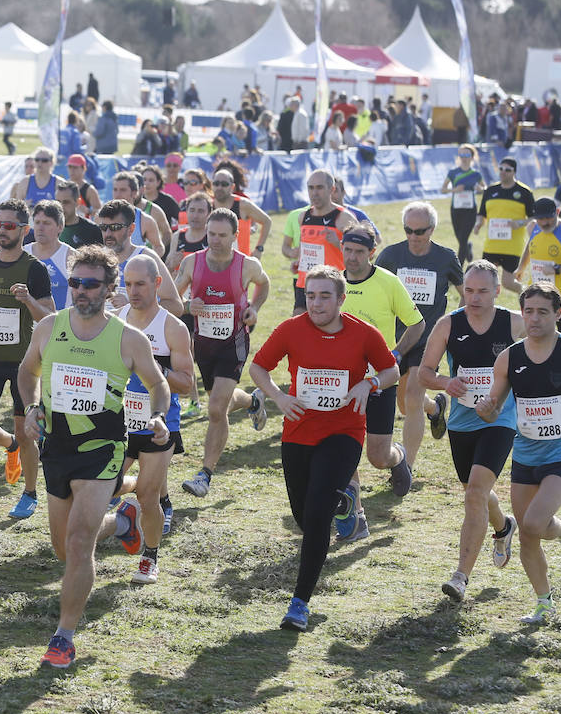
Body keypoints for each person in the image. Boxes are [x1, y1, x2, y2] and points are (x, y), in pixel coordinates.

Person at [17, 245, 172, 667]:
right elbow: (27, 372)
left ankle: (63, 637)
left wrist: (158, 416)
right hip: (57, 447)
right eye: (75, 283)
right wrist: (32, 408)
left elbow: (159, 386)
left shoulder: (128, 339)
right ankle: (122, 520)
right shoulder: (49, 327)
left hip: (103, 449)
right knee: (62, 549)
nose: (82, 291)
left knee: (80, 542)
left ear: (109, 289)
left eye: (91, 284)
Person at [249, 266, 399, 630]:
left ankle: (299, 603)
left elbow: (392, 370)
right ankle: (343, 500)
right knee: (304, 519)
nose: (315, 303)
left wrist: (370, 384)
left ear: (341, 298)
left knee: (317, 518)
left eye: (324, 296)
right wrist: (279, 398)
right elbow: (258, 367)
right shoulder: (291, 329)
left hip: (344, 432)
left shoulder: (364, 334)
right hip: (298, 431)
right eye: (311, 295)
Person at [475, 283, 561, 625]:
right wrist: (486, 411)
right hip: (524, 454)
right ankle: (544, 602)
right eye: (528, 311)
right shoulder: (509, 357)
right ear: (521, 313)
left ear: (558, 313)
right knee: (527, 532)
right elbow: (495, 406)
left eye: (542, 311)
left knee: (535, 524)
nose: (534, 318)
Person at [418, 261, 524, 602]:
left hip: (500, 420)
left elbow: (541, 357)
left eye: (482, 291)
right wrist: (445, 382)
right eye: (469, 290)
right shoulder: (449, 324)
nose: (474, 298)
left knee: (475, 492)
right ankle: (503, 527)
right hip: (462, 423)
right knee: (474, 490)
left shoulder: (515, 324)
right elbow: (424, 372)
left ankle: (461, 576)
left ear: (497, 290)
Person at [335, 227, 426, 541]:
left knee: (377, 456)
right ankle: (355, 516)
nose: (352, 257)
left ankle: (397, 456)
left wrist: (397, 352)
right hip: (340, 382)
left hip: (379, 379)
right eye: (348, 250)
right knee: (343, 448)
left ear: (371, 253)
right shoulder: (333, 283)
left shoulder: (388, 282)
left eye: (359, 252)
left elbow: (417, 323)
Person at [0, 200, 54, 516]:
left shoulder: (35, 268)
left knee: (27, 430)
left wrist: (29, 299)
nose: (2, 231)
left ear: (23, 230)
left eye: (9, 225)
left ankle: (30, 494)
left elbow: (50, 317)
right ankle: (10, 447)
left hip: (25, 364)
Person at [177, 208, 271, 498]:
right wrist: (185, 304)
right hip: (203, 344)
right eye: (211, 234)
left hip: (234, 342)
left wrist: (254, 308)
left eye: (222, 235)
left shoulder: (247, 265)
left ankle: (204, 474)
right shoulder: (192, 262)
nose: (215, 240)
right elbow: (171, 298)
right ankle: (253, 402)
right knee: (224, 400)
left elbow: (264, 284)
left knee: (216, 408)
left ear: (235, 236)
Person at [113, 255, 196, 579]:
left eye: (140, 284)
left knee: (149, 496)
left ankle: (150, 557)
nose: (133, 291)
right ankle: (129, 513)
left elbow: (187, 384)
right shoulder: (115, 319)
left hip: (158, 423)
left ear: (157, 283)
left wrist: (153, 367)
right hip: (118, 422)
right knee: (102, 486)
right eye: (128, 283)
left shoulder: (171, 328)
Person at [376, 201, 464, 468]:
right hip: (397, 339)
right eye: (408, 230)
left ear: (432, 229)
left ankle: (406, 468)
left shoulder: (446, 258)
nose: (414, 237)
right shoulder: (390, 255)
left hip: (428, 339)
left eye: (420, 231)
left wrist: (452, 327)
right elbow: (374, 287)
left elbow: (465, 293)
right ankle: (435, 408)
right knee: (404, 404)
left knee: (412, 398)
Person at [507, 198, 561, 337]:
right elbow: (530, 246)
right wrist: (521, 267)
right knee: (534, 338)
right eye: (541, 219)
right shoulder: (533, 227)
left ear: (557, 212)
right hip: (535, 296)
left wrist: (557, 269)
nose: (545, 223)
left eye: (549, 218)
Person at [280, 171, 357, 315]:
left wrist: (338, 243)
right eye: (311, 188)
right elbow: (307, 247)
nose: (314, 193)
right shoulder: (303, 216)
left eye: (319, 188)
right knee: (299, 328)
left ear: (332, 189)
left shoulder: (344, 218)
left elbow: (361, 256)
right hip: (305, 284)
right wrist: (299, 262)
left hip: (331, 287)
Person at [96, 201, 183, 316]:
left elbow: (176, 306)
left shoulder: (146, 257)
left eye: (115, 227)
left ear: (131, 229)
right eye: (103, 227)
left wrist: (133, 307)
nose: (108, 233)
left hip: (138, 333)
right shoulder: (97, 260)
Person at [472, 157, 536, 277]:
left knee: (509, 282)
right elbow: (482, 214)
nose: (503, 172)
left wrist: (520, 223)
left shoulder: (524, 192)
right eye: (501, 168)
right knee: (485, 278)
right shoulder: (490, 191)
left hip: (512, 246)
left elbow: (534, 218)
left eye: (507, 170)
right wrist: (478, 224)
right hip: (491, 245)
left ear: (514, 172)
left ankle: (523, 294)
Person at [209, 169, 271, 259]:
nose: (219, 187)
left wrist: (259, 248)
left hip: (240, 264)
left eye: (224, 184)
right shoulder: (207, 205)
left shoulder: (243, 205)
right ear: (212, 185)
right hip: (214, 262)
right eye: (216, 183)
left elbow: (267, 221)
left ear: (232, 187)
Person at [24, 200, 73, 311]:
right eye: (37, 222)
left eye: (46, 223)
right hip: (27, 325)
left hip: (60, 324)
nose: (40, 228)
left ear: (60, 227)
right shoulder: (23, 253)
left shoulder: (71, 256)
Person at [440, 145, 484, 265]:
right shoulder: (453, 172)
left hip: (470, 209)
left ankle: (458, 267)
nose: (464, 158)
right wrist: (454, 190)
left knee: (463, 239)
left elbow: (483, 189)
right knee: (460, 238)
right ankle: (468, 249)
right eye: (462, 155)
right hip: (456, 209)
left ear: (472, 157)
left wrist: (479, 188)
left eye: (467, 155)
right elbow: (443, 189)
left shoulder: (476, 174)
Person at [110, 171, 168, 257]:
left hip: (134, 269)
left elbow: (159, 247)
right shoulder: (101, 217)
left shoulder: (145, 219)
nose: (118, 194)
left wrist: (147, 262)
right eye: (115, 190)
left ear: (134, 193)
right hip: (110, 269)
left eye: (123, 190)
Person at [56, 180, 102, 247]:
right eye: (58, 202)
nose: (61, 206)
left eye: (66, 202)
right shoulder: (49, 228)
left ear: (78, 202)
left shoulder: (92, 230)